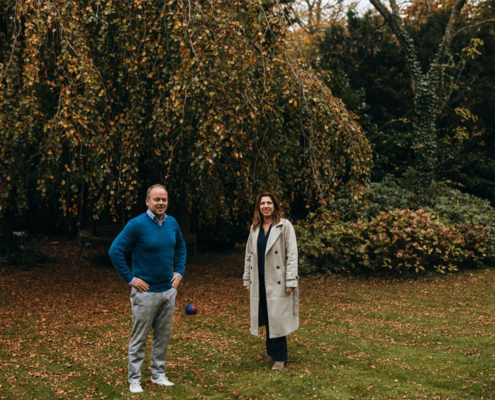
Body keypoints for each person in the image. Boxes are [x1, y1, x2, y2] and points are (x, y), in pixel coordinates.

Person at [109, 184, 186, 393]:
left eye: (164, 199)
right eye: (156, 199)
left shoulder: (172, 223)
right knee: (139, 337)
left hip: (168, 292)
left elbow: (180, 246)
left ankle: (158, 374)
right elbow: (115, 250)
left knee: (163, 336)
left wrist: (179, 271)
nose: (161, 203)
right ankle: (134, 379)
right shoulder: (136, 225)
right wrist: (130, 279)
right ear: (147, 201)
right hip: (145, 294)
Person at [243, 192, 299, 371]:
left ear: (274, 205)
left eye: (269, 203)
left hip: (278, 281)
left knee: (277, 317)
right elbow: (249, 255)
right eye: (262, 203)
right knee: (266, 316)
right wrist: (247, 278)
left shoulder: (285, 226)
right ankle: (271, 353)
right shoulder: (255, 227)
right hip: (260, 280)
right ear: (258, 207)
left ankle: (280, 357)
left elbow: (292, 254)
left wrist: (291, 279)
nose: (265, 206)